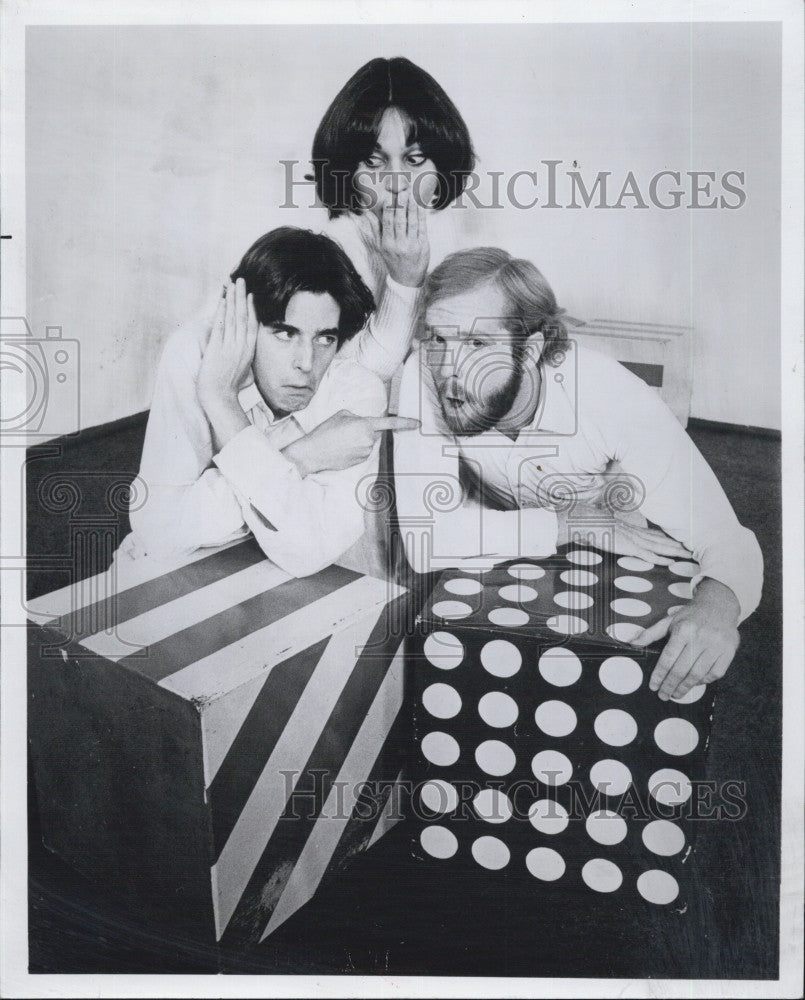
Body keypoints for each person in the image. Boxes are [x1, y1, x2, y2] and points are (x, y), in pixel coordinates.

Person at [393, 247, 763, 700]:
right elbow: (425, 542)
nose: (449, 370)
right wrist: (574, 523)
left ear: (528, 350)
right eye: (437, 339)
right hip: (534, 542)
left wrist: (718, 605)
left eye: (476, 345)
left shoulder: (614, 397)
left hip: (612, 551)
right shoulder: (422, 376)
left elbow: (726, 536)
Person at [125, 226, 417, 578]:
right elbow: (158, 533)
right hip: (163, 577)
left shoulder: (356, 392)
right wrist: (303, 454)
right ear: (245, 323)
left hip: (270, 586)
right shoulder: (196, 354)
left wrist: (239, 432)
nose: (306, 363)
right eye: (285, 333)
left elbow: (307, 553)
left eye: (325, 338)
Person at [310, 56, 476, 383]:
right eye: (373, 162)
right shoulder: (326, 254)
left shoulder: (451, 243)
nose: (397, 181)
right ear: (346, 170)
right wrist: (404, 281)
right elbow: (354, 384)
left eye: (415, 160)